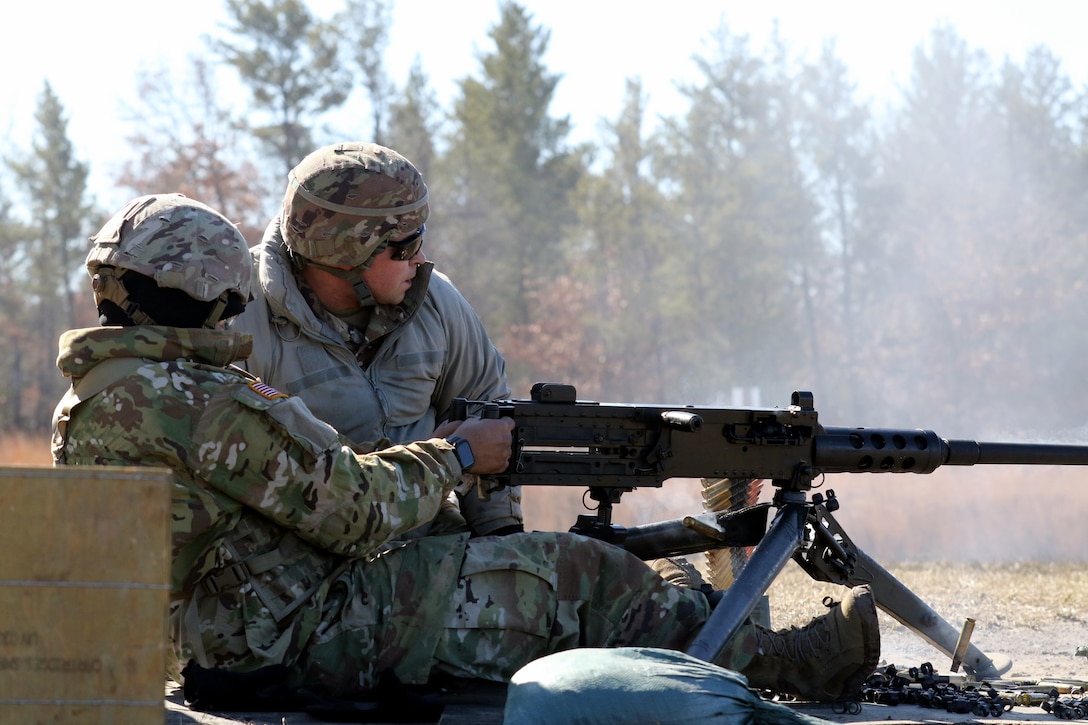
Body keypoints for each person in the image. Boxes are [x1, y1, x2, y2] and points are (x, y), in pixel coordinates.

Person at [52, 193, 879, 703]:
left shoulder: (99, 399)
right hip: (294, 635)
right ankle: (782, 664)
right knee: (574, 573)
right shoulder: (199, 404)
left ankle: (688, 621)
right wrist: (456, 456)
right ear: (211, 292)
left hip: (241, 625)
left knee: (488, 556)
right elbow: (352, 507)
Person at [227, 141, 519, 538]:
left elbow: (488, 415)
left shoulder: (437, 302)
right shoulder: (238, 315)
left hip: (429, 547)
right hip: (302, 561)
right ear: (347, 251)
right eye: (406, 246)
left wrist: (500, 536)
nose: (420, 259)